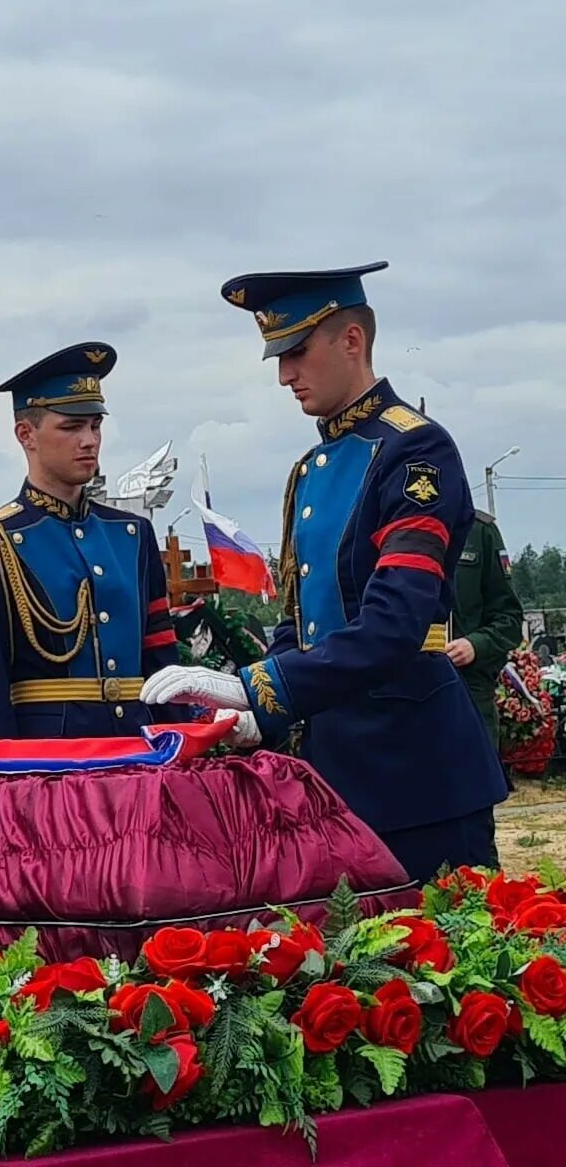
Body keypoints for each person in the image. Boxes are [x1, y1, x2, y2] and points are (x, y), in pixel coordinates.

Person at [143, 262, 508, 883]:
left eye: (297, 350)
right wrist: (262, 713)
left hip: (414, 768)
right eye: (277, 356)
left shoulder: (414, 449)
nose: (285, 374)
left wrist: (260, 686)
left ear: (352, 340)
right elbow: (301, 619)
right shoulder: (309, 469)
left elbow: (395, 622)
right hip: (333, 764)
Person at [0, 345, 183, 738]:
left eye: (95, 425)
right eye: (71, 427)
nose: (89, 440)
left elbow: (161, 659)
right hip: (48, 760)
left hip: (137, 750)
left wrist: (179, 747)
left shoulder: (132, 535)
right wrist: (1, 780)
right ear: (26, 435)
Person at [450, 509, 524, 754]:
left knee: (474, 788)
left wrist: (475, 645)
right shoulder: (393, 525)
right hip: (404, 688)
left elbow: (509, 619)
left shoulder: (479, 531)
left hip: (468, 688)